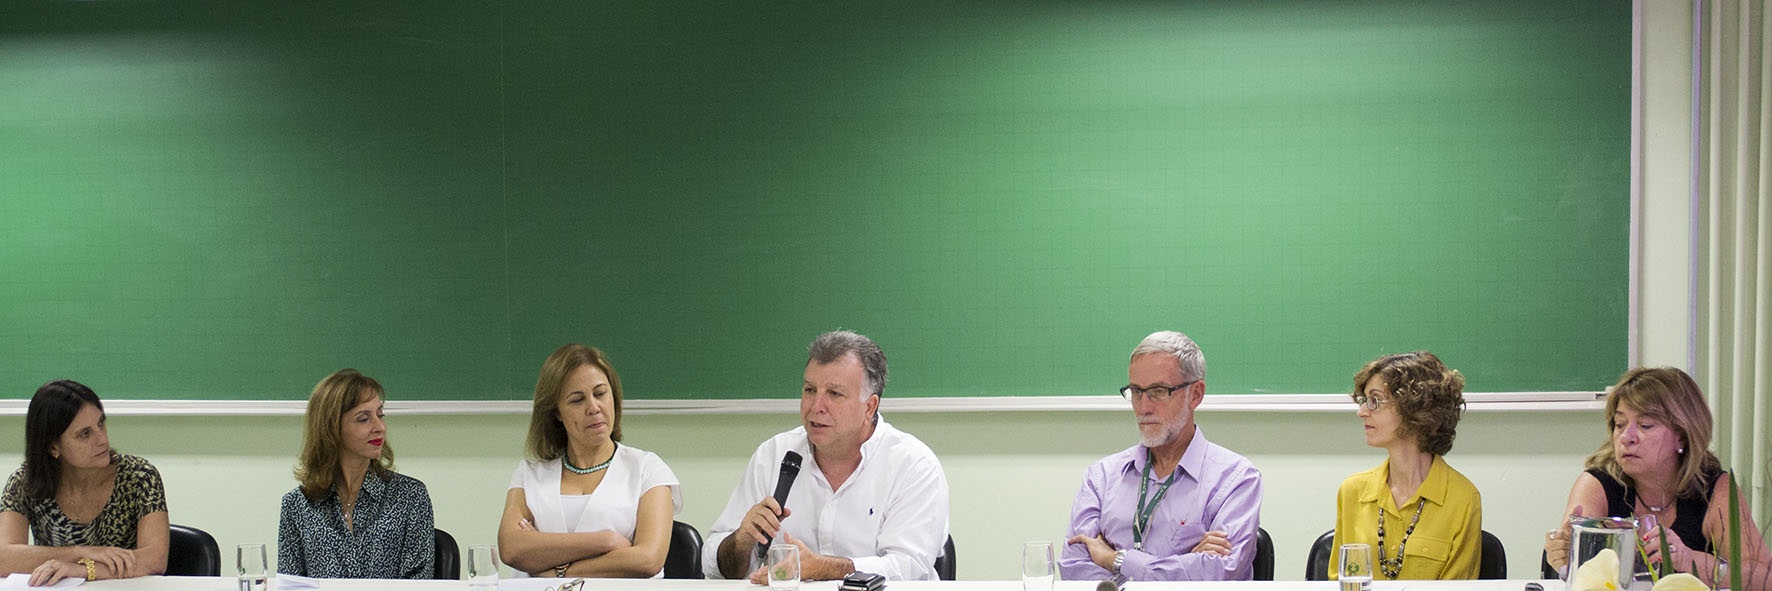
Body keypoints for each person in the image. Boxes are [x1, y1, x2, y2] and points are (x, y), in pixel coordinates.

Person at [704, 330, 949, 582]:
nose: (816, 406)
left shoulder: (914, 466)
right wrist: (740, 542)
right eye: (810, 390)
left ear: (869, 407)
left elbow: (908, 568)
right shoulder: (774, 455)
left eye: (834, 394)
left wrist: (823, 568)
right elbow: (714, 568)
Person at [1062, 331, 1263, 581]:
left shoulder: (1236, 479)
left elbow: (1219, 573)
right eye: (1136, 391)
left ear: (1196, 394)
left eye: (1157, 391)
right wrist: (1185, 564)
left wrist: (1116, 560)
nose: (1143, 407)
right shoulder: (1101, 477)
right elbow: (1075, 568)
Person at [1545, 367, 1772, 589]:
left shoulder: (1713, 488)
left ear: (1682, 437)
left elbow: (1764, 577)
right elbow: (1578, 572)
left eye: (1645, 425)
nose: (1626, 437)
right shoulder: (1597, 484)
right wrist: (1563, 556)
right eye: (1620, 424)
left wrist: (1688, 560)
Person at [498, 344, 682, 578]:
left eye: (600, 394)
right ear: (556, 413)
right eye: (577, 400)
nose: (593, 408)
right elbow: (512, 549)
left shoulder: (648, 469)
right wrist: (607, 541)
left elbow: (647, 560)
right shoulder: (530, 473)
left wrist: (556, 572)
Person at [0, 380, 169, 586]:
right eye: (85, 434)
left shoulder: (139, 476)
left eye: (101, 423)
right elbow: (4, 558)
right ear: (53, 447)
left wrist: (82, 569)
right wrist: (81, 552)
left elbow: (155, 560)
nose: (102, 440)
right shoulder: (25, 483)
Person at [1330, 351, 1481, 580]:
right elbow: (1340, 581)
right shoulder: (1352, 491)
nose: (1361, 412)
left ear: (1414, 407)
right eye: (1364, 401)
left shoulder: (1463, 497)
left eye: (1375, 401)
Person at [277, 369, 435, 578]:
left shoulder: (410, 496)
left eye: (380, 415)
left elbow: (420, 583)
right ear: (331, 428)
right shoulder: (297, 505)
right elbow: (290, 584)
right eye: (363, 419)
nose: (379, 427)